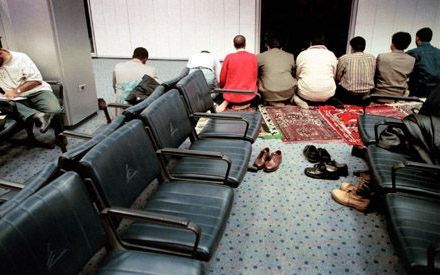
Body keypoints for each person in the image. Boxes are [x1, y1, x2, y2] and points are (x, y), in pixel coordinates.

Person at [0, 48, 61, 133]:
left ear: (1, 53)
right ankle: (38, 116)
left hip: (36, 92)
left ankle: (59, 135)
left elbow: (35, 80)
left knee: (55, 111)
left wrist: (15, 91)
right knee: (5, 103)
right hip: (14, 99)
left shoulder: (20, 58)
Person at [295, 33, 338, 108]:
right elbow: (334, 75)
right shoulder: (331, 55)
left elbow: (297, 75)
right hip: (327, 95)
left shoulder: (302, 54)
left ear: (310, 43)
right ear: (323, 43)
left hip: (304, 94)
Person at [216, 35, 258, 112]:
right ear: (245, 44)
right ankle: (244, 105)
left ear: (234, 45)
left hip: (231, 95)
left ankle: (228, 103)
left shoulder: (229, 57)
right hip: (249, 95)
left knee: (218, 96)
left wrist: (222, 88)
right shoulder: (253, 57)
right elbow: (255, 76)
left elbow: (222, 78)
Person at [372, 32, 415, 99]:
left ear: (392, 43)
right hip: (399, 97)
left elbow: (374, 75)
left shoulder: (382, 57)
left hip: (379, 96)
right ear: (407, 46)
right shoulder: (412, 60)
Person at [335, 36, 376, 105]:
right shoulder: (372, 58)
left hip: (350, 96)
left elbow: (337, 77)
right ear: (364, 47)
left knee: (336, 86)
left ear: (352, 48)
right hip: (367, 95)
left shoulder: (344, 58)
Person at [257, 36, 296, 106]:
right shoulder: (290, 56)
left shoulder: (260, 56)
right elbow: (293, 72)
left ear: (266, 45)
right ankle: (291, 99)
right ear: (282, 47)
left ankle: (272, 102)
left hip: (269, 93)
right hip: (288, 92)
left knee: (258, 76)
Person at [407, 27, 440, 97]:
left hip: (418, 93)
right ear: (430, 39)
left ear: (417, 38)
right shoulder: (438, 52)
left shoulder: (412, 53)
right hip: (436, 93)